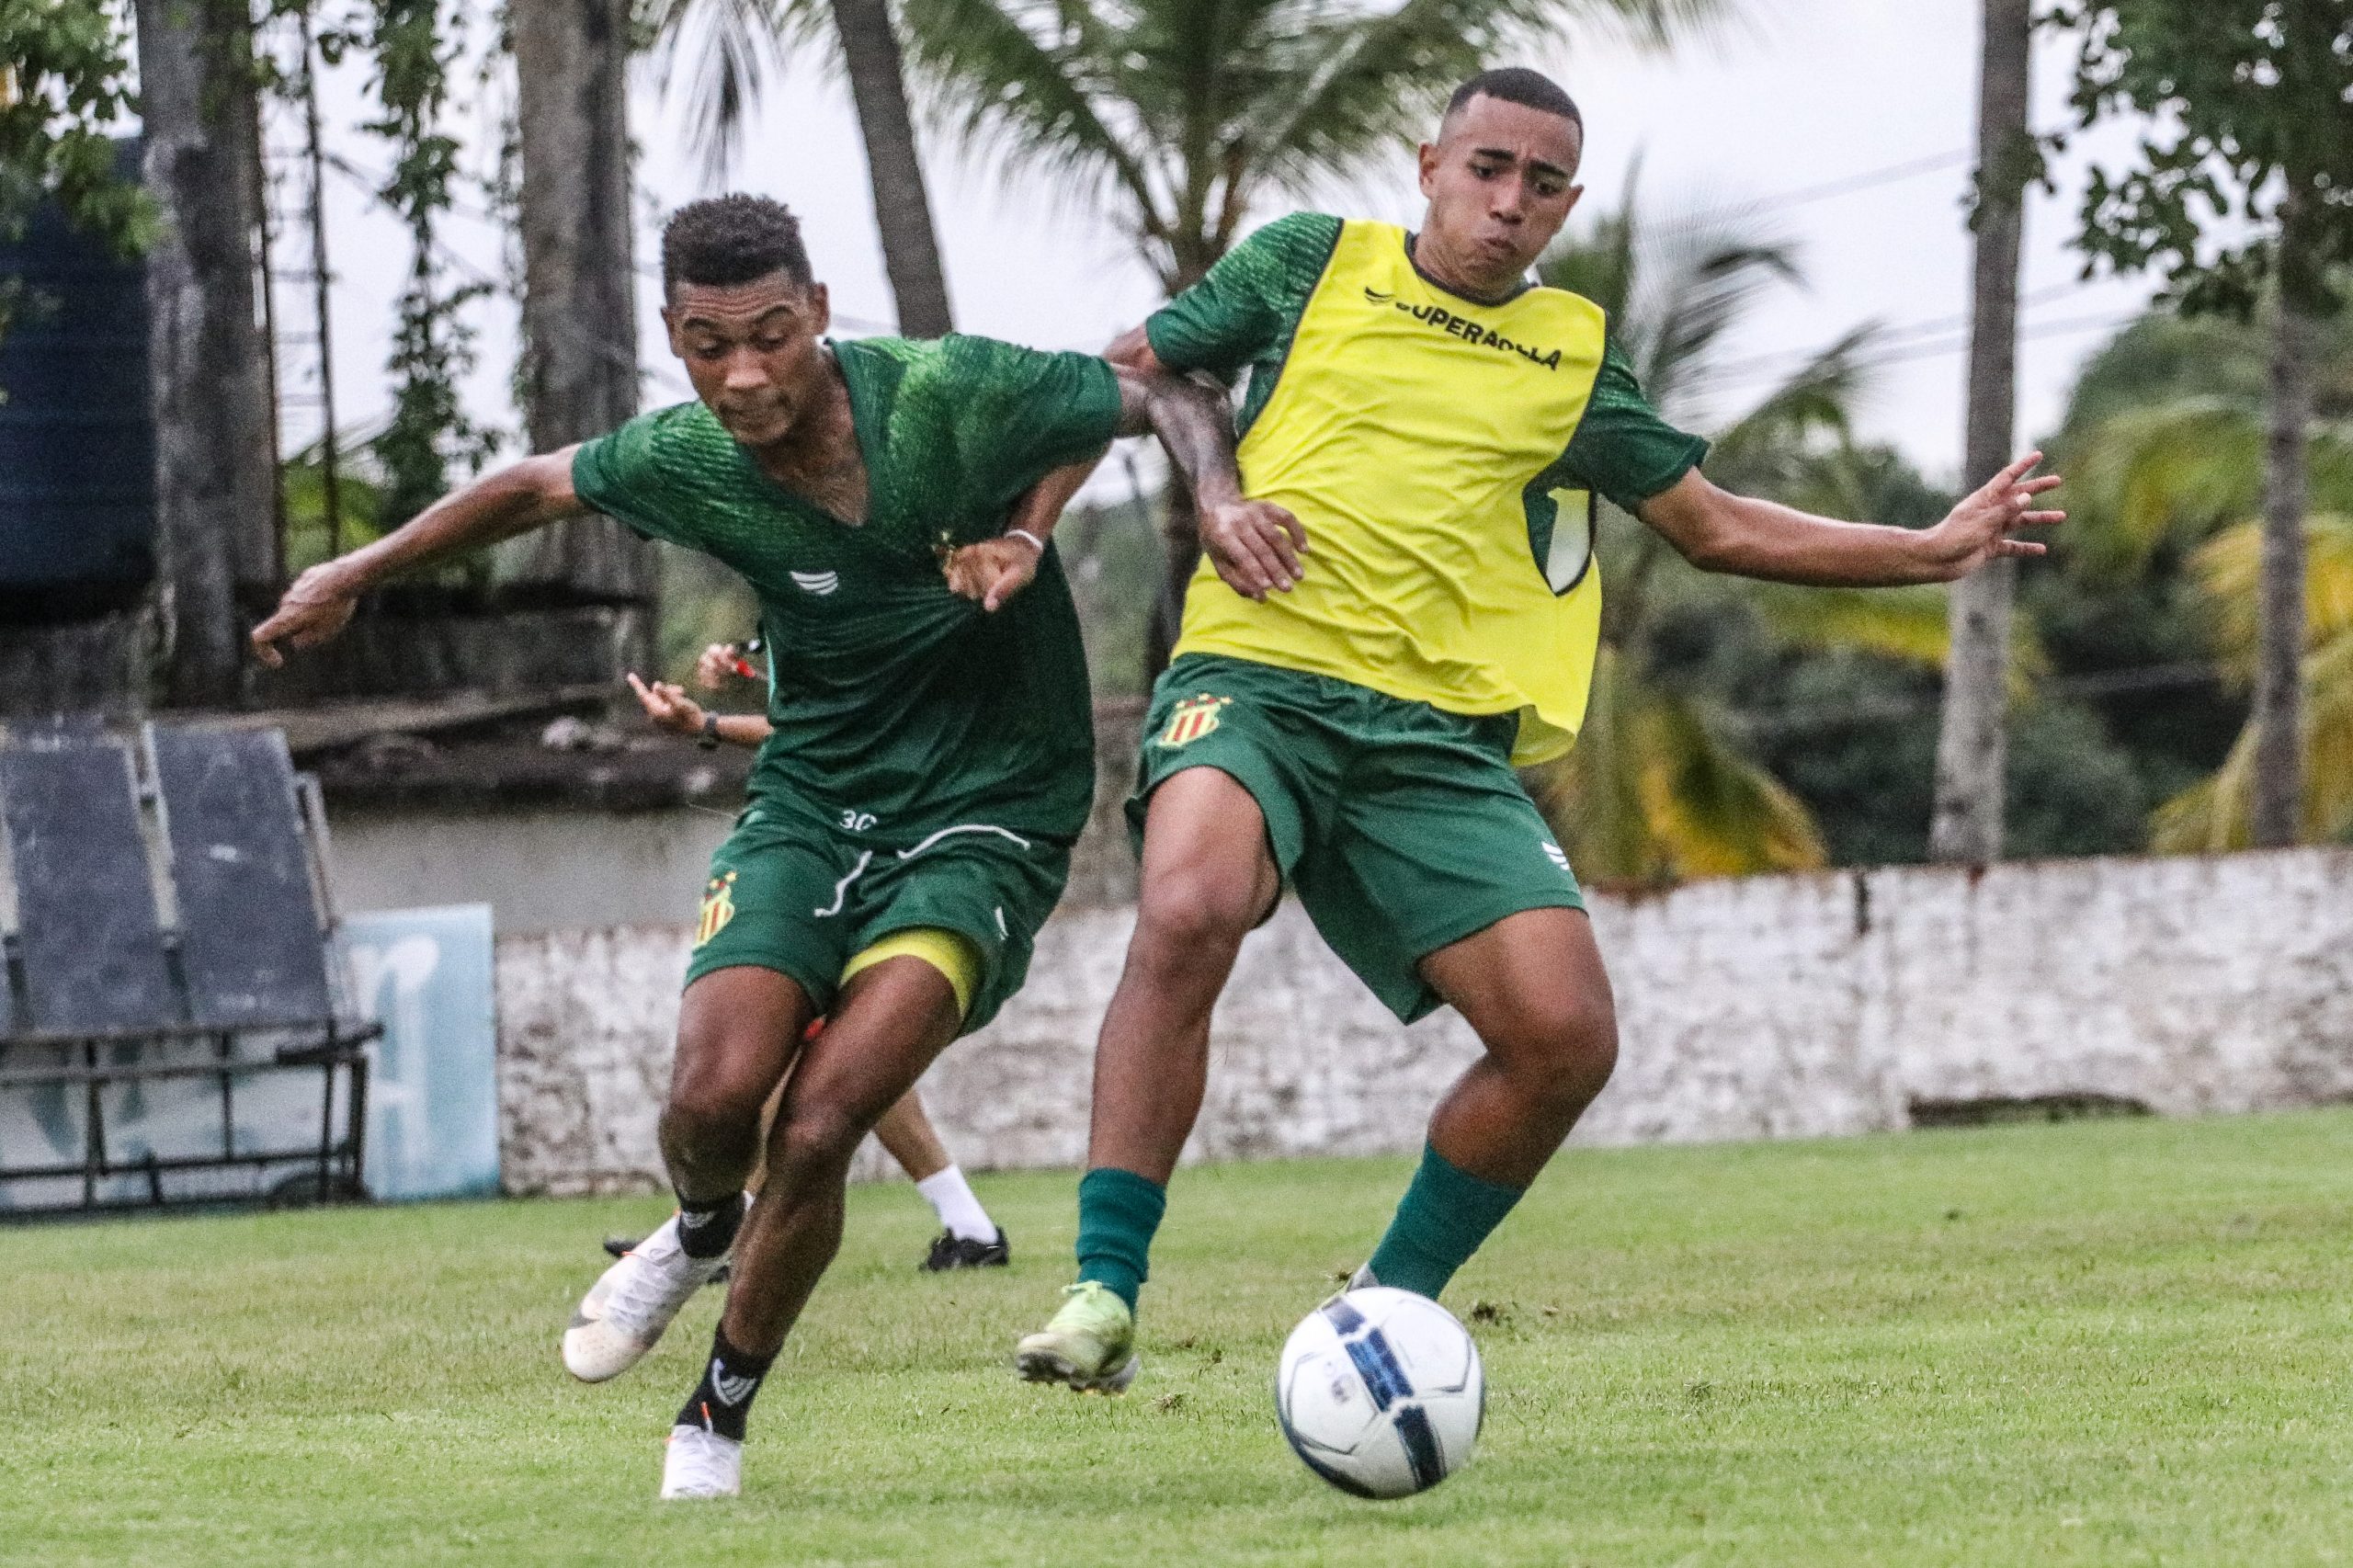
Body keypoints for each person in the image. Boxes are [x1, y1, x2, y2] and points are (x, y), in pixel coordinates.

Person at [1013, 66, 2064, 1392]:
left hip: (1436, 743)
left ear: (1565, 206)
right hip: (1258, 676)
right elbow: (1146, 368)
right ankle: (1104, 1289)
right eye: (1489, 168)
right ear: (1428, 165)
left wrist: (1925, 548)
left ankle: (1380, 1313)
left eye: (1543, 182)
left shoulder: (1573, 355)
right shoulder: (1306, 261)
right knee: (1190, 901)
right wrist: (1212, 496)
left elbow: (1714, 522)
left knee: (1567, 1039)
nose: (1510, 202)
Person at [250, 194, 1234, 1497]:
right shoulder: (688, 460)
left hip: (989, 810)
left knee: (824, 1122)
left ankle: (713, 1418)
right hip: (813, 796)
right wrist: (355, 572)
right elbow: (533, 484)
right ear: (675, 337)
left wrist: (1183, 505)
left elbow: (1158, 386)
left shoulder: (949, 394)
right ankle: (702, 1223)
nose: (747, 372)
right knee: (713, 1102)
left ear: (818, 312)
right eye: (712, 344)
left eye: (773, 333)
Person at [606, 642, 1010, 1275]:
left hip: (878, 856)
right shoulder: (832, 598)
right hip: (850, 848)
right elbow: (824, 707)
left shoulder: (912, 604)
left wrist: (707, 724)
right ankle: (965, 1224)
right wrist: (742, 666)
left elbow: (849, 720)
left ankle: (713, 1235)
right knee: (830, 1052)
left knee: (812, 1052)